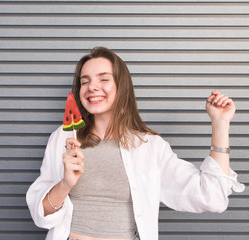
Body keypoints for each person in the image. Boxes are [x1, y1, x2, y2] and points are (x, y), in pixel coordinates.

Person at [26, 47, 245, 240]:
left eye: (103, 79)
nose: (92, 87)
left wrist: (220, 124)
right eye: (85, 81)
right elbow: (40, 215)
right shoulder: (63, 139)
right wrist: (65, 184)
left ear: (122, 87)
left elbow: (212, 198)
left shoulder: (149, 146)